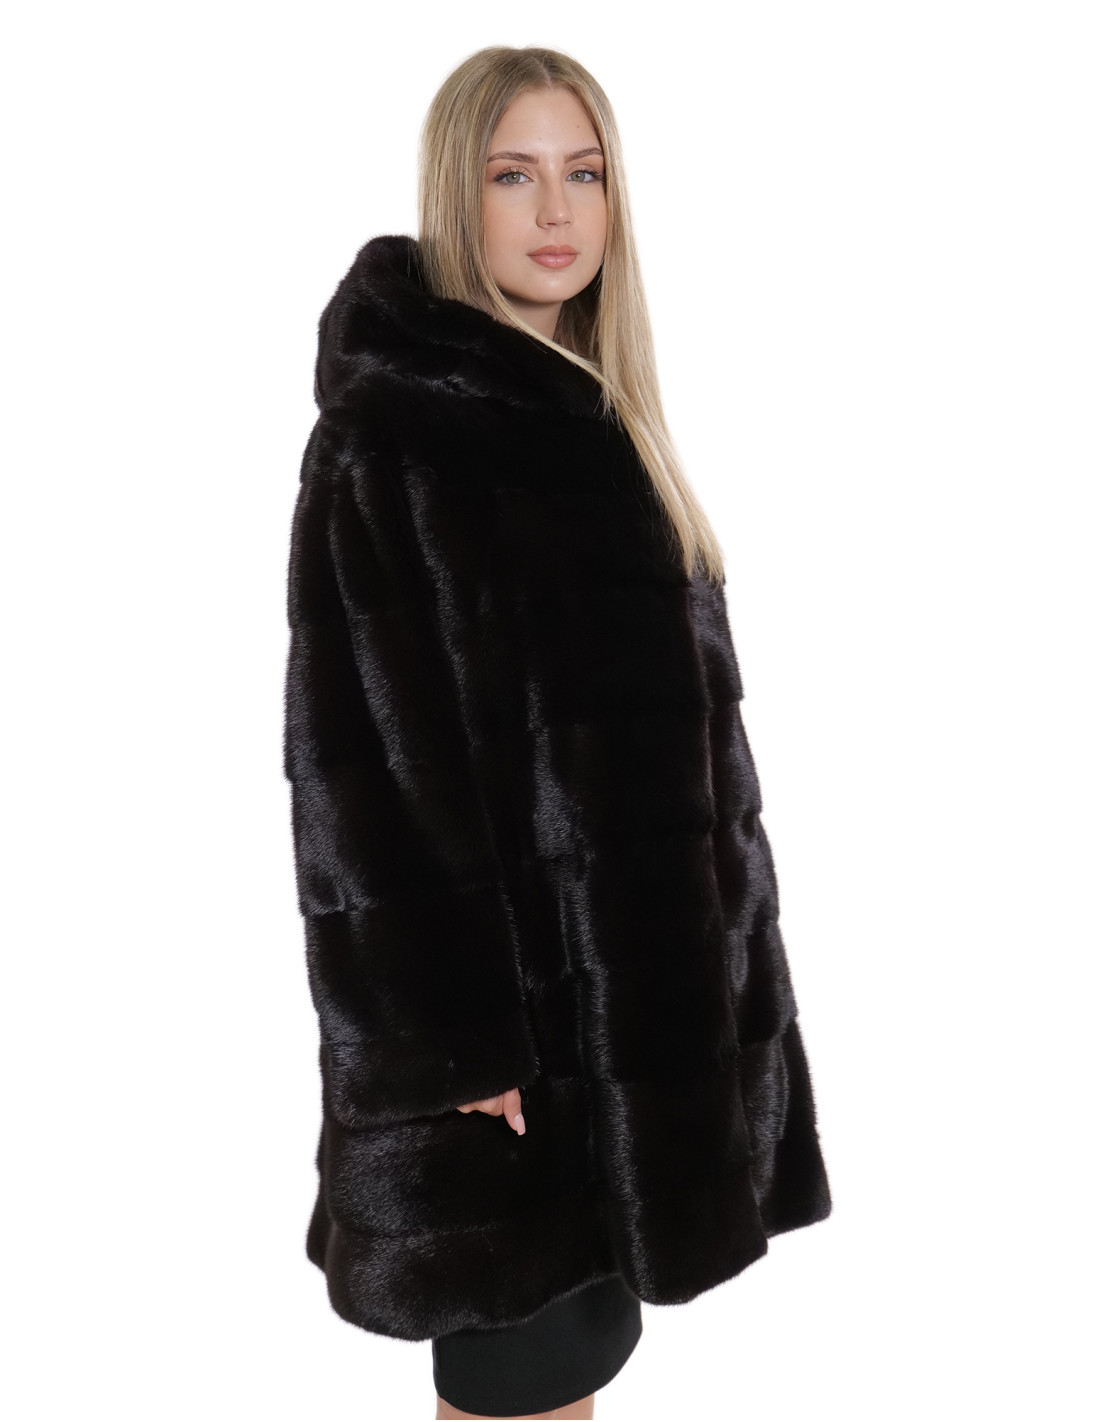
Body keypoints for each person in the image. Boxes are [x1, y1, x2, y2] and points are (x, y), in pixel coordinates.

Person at [282, 45, 832, 1422]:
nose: (554, 210)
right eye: (512, 174)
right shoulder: (397, 439)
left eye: (582, 173)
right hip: (512, 1062)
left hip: (625, 1041)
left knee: (569, 1386)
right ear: (454, 193)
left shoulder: (593, 417)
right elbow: (367, 781)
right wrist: (458, 1053)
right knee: (520, 1394)